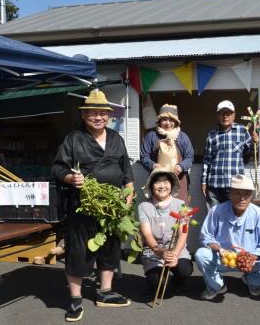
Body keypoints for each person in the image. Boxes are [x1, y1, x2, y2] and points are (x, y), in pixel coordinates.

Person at [52, 89, 134, 322]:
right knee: (78, 251)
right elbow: (58, 168)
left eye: (102, 113)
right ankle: (76, 300)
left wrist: (127, 196)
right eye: (93, 113)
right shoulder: (73, 139)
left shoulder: (116, 139)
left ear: (108, 116)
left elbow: (127, 172)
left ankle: (105, 292)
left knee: (110, 247)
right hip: (83, 207)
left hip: (112, 209)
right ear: (85, 115)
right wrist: (70, 177)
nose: (98, 117)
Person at [195, 174, 260, 299]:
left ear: (251, 195)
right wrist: (219, 249)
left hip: (249, 261)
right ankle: (216, 285)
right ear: (230, 193)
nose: (242, 198)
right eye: (237, 193)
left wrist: (249, 257)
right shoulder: (217, 211)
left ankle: (252, 281)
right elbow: (206, 237)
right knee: (201, 254)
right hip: (223, 258)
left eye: (246, 194)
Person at [138, 167, 193, 297]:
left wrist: (174, 254)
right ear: (151, 186)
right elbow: (147, 234)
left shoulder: (181, 205)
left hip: (175, 248)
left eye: (166, 181)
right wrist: (160, 252)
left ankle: (178, 281)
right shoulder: (144, 207)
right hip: (154, 250)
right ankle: (157, 281)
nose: (162, 186)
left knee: (185, 269)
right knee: (159, 286)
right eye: (157, 182)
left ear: (172, 185)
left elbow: (184, 232)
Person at [201, 100, 259, 208]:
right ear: (217, 115)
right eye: (222, 113)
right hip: (214, 185)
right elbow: (206, 160)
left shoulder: (243, 131)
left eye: (228, 113)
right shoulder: (212, 134)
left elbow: (249, 155)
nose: (225, 116)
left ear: (234, 115)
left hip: (235, 185)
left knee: (233, 216)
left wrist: (254, 144)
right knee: (214, 217)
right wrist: (203, 182)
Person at [140, 104, 194, 202]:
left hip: (179, 181)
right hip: (158, 182)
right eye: (164, 119)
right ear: (159, 121)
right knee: (158, 209)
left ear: (176, 122)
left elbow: (189, 157)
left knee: (180, 212)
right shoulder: (152, 136)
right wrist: (152, 165)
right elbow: (144, 156)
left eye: (171, 120)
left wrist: (181, 166)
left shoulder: (182, 137)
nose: (168, 123)